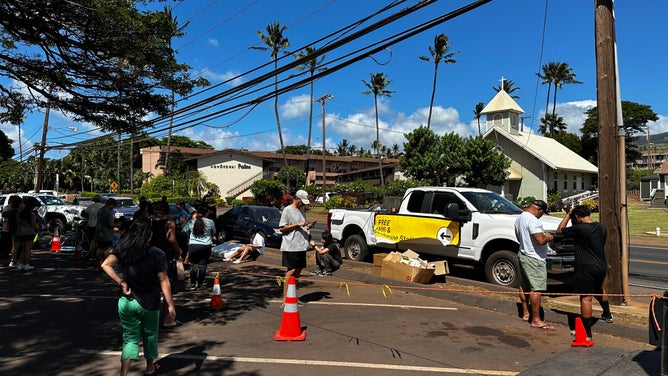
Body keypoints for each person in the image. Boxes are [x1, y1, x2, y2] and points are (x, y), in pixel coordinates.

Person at [100, 218, 175, 376]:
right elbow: (163, 280)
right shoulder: (157, 253)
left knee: (130, 339)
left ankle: (124, 373)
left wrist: (120, 281)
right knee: (150, 335)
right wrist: (170, 305)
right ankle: (149, 367)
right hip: (150, 302)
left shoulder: (124, 248)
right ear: (149, 234)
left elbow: (105, 264)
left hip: (127, 301)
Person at [557, 204, 613, 341]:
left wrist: (568, 215)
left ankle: (586, 333)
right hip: (601, 265)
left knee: (585, 297)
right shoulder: (601, 227)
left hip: (585, 267)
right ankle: (607, 314)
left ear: (577, 217)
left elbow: (559, 231)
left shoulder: (578, 229)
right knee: (599, 289)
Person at [515, 199, 556, 331]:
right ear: (539, 210)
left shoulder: (520, 217)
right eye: (542, 213)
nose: (541, 216)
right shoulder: (533, 220)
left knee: (524, 285)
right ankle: (536, 320)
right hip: (535, 258)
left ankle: (526, 313)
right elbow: (540, 240)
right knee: (536, 289)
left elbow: (518, 236)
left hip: (523, 254)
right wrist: (548, 237)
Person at [148, 200, 182, 328]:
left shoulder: (149, 222)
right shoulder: (169, 222)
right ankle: (168, 319)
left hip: (150, 256)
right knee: (168, 287)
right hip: (165, 256)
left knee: (152, 288)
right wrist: (178, 252)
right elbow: (171, 239)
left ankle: (151, 318)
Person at [278, 190, 314, 303]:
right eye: (302, 202)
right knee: (291, 270)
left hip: (301, 244)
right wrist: (297, 224)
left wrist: (307, 226)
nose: (303, 204)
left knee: (298, 270)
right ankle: (285, 298)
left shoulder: (302, 210)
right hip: (291, 245)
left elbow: (302, 224)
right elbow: (282, 228)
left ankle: (293, 296)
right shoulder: (287, 210)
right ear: (297, 199)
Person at [182, 206, 216, 290]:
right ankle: (200, 284)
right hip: (206, 245)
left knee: (193, 265)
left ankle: (193, 284)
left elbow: (184, 230)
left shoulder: (191, 222)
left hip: (193, 245)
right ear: (207, 213)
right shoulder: (210, 222)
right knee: (203, 265)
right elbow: (213, 232)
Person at [14, 197, 39, 271]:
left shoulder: (19, 214)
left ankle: (21, 264)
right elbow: (33, 225)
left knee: (22, 249)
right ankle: (27, 265)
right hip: (29, 233)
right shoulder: (32, 214)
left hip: (20, 233)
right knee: (27, 250)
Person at [95, 198, 117, 269]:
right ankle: (106, 266)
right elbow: (111, 224)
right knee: (108, 252)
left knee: (99, 251)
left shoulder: (100, 211)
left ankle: (98, 265)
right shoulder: (108, 212)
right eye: (113, 206)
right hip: (107, 235)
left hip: (99, 234)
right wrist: (118, 224)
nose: (113, 208)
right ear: (111, 205)